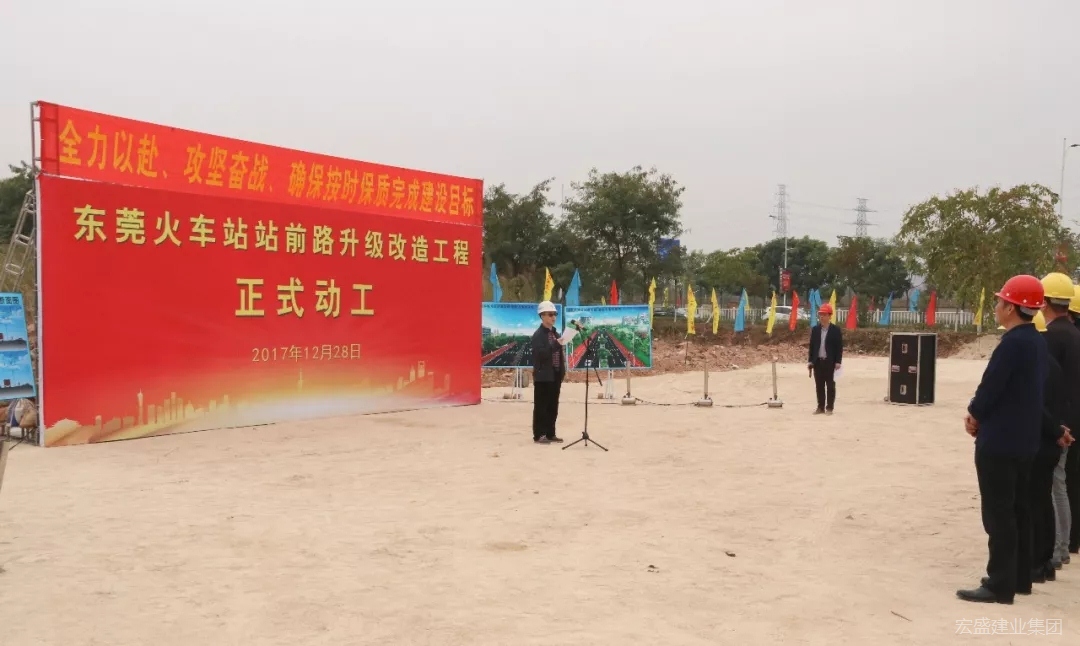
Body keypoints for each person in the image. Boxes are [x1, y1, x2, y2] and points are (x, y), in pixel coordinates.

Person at [958, 275, 1047, 604]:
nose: (996, 306)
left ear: (1011, 307)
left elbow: (992, 386)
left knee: (999, 514)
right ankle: (1020, 577)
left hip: (1000, 442)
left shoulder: (1012, 344)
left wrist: (974, 414)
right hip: (1025, 440)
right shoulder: (1036, 341)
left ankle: (999, 584)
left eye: (1000, 302)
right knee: (1020, 509)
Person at [1040, 274, 1080, 570]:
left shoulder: (1051, 337)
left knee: (1055, 485)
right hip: (1072, 417)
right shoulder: (1074, 334)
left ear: (1044, 302)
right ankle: (1065, 545)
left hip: (1059, 422)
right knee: (1062, 484)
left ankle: (1058, 549)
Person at [531, 300, 565, 444]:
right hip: (543, 376)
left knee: (553, 405)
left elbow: (559, 354)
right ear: (542, 316)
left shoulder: (555, 333)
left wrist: (562, 371)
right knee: (542, 406)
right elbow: (541, 355)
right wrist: (556, 345)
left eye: (555, 314)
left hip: (555, 374)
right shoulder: (538, 335)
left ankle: (551, 433)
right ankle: (540, 434)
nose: (553, 317)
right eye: (550, 314)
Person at [807, 303, 842, 415]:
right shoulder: (815, 330)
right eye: (820, 314)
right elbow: (812, 347)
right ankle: (820, 407)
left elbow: (839, 347)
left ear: (829, 316)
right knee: (819, 386)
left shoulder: (835, 330)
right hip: (818, 362)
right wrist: (810, 361)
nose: (822, 317)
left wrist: (838, 361)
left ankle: (829, 408)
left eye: (824, 315)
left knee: (830, 386)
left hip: (830, 362)